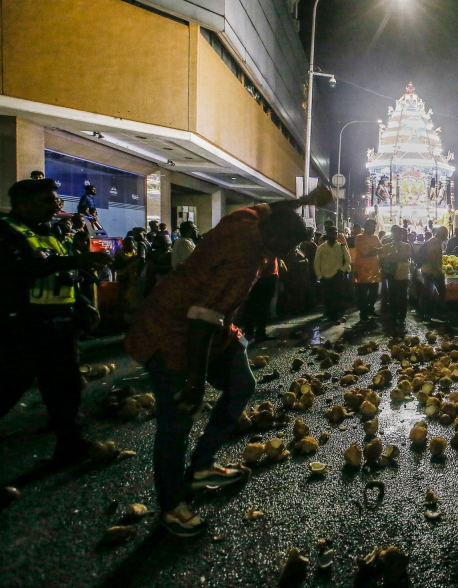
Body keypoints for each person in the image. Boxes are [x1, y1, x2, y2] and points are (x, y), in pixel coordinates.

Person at [124, 184, 333, 536]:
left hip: (212, 326)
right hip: (172, 331)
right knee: (178, 419)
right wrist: (194, 381)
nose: (289, 252)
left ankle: (202, 465)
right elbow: (201, 321)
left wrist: (306, 201)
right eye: (288, 244)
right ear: (272, 236)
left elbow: (272, 207)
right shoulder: (243, 259)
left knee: (241, 385)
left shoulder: (245, 218)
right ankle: (172, 505)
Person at [0, 179, 110, 465]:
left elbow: (60, 276)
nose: (56, 206)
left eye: (56, 201)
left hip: (60, 324)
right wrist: (74, 262)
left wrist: (82, 304)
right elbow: (18, 270)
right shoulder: (6, 231)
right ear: (24, 204)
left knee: (66, 389)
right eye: (48, 201)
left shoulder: (50, 232)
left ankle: (70, 446)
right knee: (8, 387)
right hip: (21, 326)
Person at [314, 225, 351, 323]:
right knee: (327, 297)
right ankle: (331, 315)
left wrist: (342, 270)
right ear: (328, 234)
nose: (334, 235)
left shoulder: (341, 246)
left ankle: (335, 316)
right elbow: (316, 263)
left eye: (335, 233)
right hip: (325, 276)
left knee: (337, 296)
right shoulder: (321, 247)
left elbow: (348, 260)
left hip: (337, 276)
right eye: (332, 233)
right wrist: (320, 276)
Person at [381, 225, 412, 326]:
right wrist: (396, 257)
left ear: (402, 234)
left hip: (403, 274)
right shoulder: (387, 246)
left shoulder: (407, 245)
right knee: (392, 295)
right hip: (391, 274)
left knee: (402, 296)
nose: (397, 235)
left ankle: (402, 317)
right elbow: (384, 258)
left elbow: (406, 256)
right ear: (392, 234)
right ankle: (394, 316)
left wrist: (392, 257)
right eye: (395, 233)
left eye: (399, 233)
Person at [353, 219, 383, 322]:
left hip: (374, 270)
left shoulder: (375, 237)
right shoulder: (359, 237)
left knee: (374, 293)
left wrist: (376, 250)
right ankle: (363, 313)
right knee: (362, 294)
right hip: (362, 271)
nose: (374, 229)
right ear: (366, 226)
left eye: (375, 227)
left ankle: (370, 309)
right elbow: (366, 253)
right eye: (372, 227)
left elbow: (381, 249)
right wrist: (378, 250)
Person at [418, 226, 447, 320]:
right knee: (441, 291)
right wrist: (436, 270)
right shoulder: (436, 242)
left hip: (427, 270)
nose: (446, 237)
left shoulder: (432, 240)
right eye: (445, 234)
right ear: (441, 234)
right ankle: (435, 313)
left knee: (428, 292)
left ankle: (427, 314)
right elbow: (433, 256)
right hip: (431, 271)